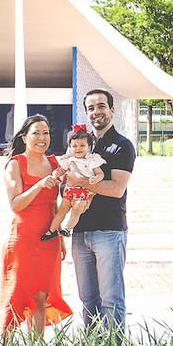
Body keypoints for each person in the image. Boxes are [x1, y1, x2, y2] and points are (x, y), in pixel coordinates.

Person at [0, 114, 74, 338]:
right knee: (16, 297)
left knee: (40, 298)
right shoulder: (15, 164)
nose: (42, 138)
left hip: (48, 239)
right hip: (22, 238)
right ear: (24, 137)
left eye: (46, 133)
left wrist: (59, 237)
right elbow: (16, 204)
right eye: (36, 133)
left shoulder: (55, 163)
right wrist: (41, 185)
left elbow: (54, 205)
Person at [63, 88, 135, 333]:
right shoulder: (79, 146)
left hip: (109, 232)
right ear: (86, 112)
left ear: (112, 110)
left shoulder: (122, 146)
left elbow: (116, 189)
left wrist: (78, 181)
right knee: (88, 301)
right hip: (80, 233)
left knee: (111, 301)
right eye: (91, 108)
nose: (97, 112)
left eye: (101, 106)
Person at [42, 124, 105, 241]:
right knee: (62, 210)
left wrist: (96, 179)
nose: (78, 149)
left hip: (83, 192)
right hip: (69, 190)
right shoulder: (69, 159)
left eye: (82, 145)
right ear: (70, 147)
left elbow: (100, 173)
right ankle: (51, 230)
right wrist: (56, 174)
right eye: (74, 146)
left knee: (77, 209)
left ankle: (67, 228)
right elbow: (61, 170)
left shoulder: (91, 160)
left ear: (89, 147)